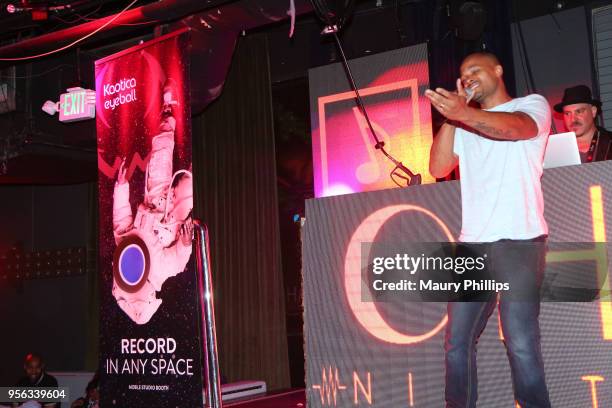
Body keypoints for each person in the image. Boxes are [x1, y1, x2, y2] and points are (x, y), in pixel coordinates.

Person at [426, 52, 552, 407]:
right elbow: (437, 167)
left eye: (474, 70)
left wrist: (463, 112)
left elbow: (516, 129)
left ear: (498, 70)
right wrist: (453, 118)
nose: (467, 78)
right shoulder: (465, 122)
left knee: (521, 342)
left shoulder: (532, 104)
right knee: (456, 342)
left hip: (520, 241)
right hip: (473, 246)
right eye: (463, 74)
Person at [112, 81, 194, 325]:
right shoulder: (159, 272)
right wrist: (185, 243)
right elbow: (179, 260)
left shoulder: (124, 258)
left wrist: (121, 186)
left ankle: (168, 109)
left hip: (154, 200)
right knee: (190, 182)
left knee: (161, 151)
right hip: (171, 214)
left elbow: (121, 221)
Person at [554, 84, 612, 162]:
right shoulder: (556, 151)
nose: (573, 119)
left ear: (593, 111)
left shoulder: (609, 142)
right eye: (567, 113)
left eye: (579, 111)